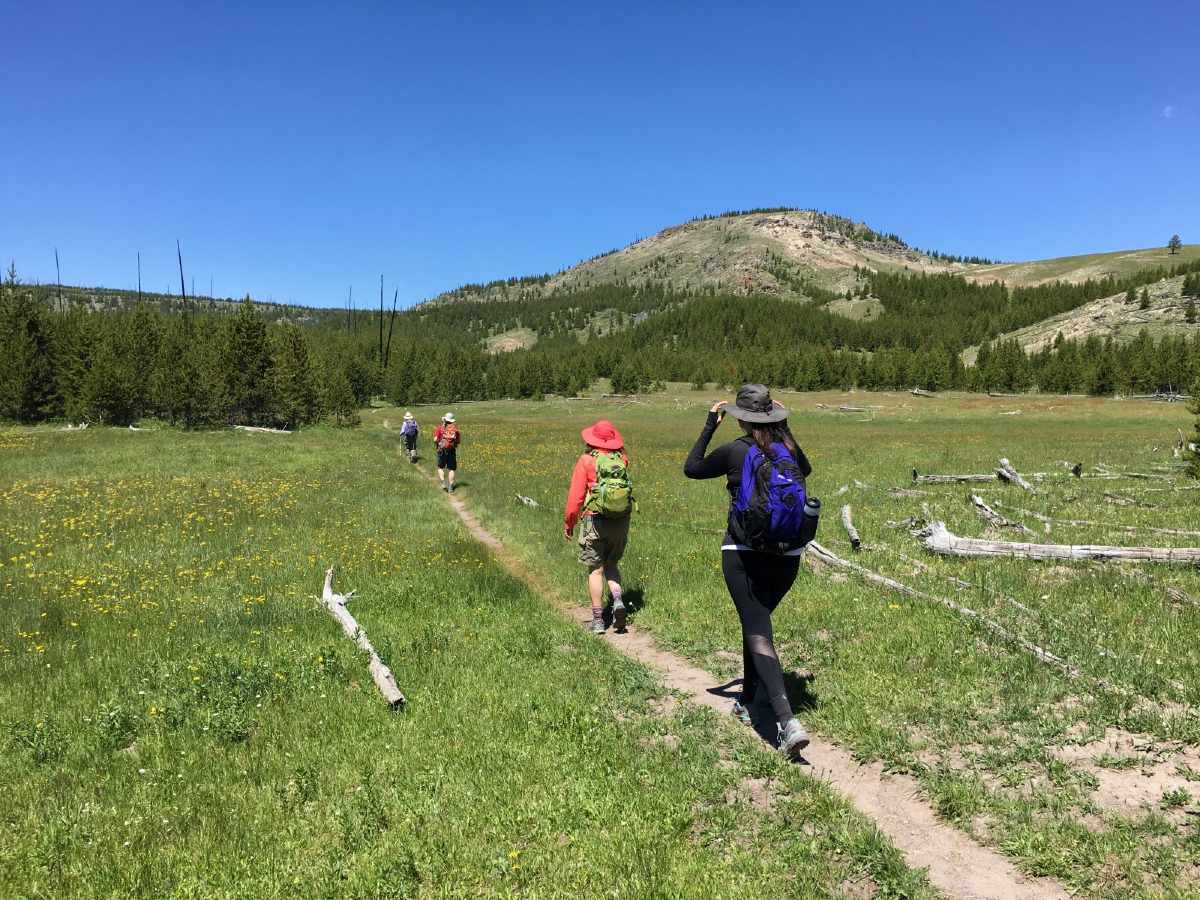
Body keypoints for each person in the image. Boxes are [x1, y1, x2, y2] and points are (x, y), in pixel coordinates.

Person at [683, 384, 813, 759]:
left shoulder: (735, 451)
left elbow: (692, 468)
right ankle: (748, 699)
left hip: (743, 552)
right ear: (771, 416)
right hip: (788, 555)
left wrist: (709, 424)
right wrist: (784, 426)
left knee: (757, 630)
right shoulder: (787, 449)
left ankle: (786, 722)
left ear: (740, 418)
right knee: (756, 624)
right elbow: (805, 470)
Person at [563, 420, 634, 634]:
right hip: (620, 520)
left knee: (595, 569)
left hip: (594, 520)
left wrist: (569, 522)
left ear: (592, 440)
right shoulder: (622, 459)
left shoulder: (586, 460)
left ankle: (598, 620)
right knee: (611, 564)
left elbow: (575, 497)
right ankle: (618, 601)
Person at [433, 413, 460, 492]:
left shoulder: (440, 428)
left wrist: (437, 444)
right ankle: (451, 487)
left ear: (444, 420)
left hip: (441, 450)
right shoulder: (455, 430)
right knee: (452, 469)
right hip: (451, 451)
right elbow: (458, 441)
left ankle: (443, 483)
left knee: (440, 467)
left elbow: (435, 439)